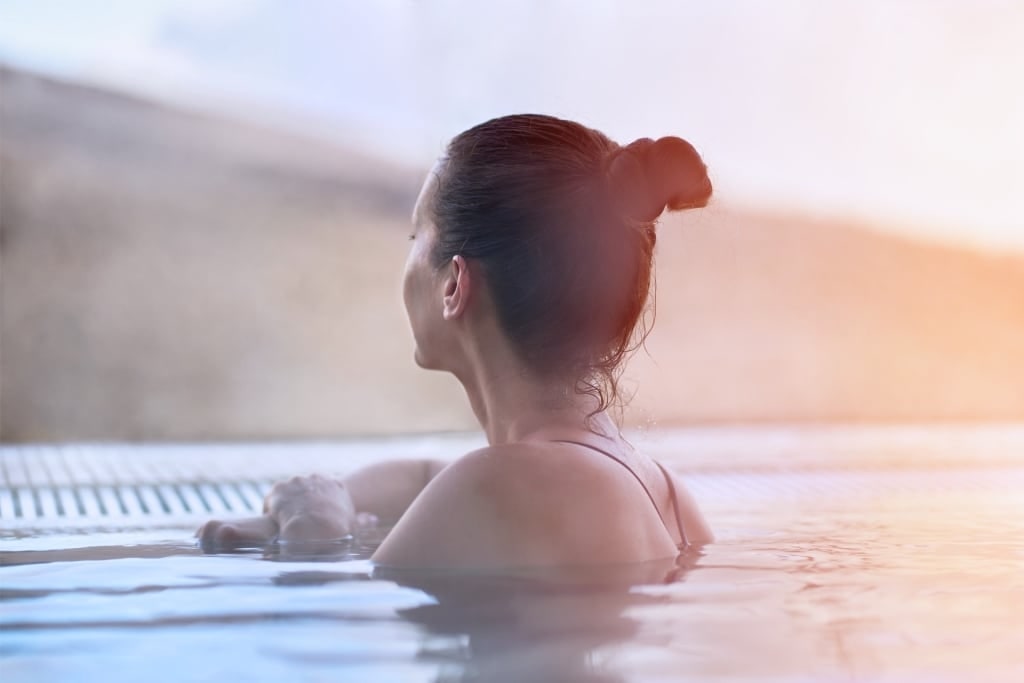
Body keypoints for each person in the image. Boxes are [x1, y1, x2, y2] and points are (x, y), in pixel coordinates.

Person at [197, 114, 714, 569]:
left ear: (454, 285)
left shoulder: (500, 488)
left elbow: (353, 634)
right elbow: (425, 478)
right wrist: (327, 497)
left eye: (415, 237)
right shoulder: (665, 492)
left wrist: (317, 540)